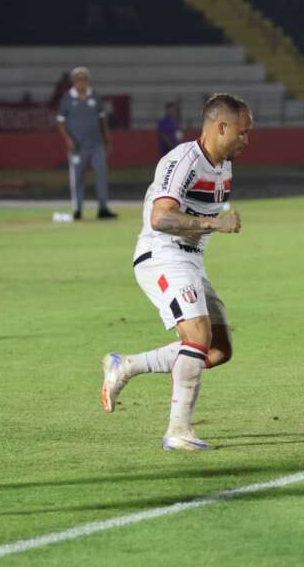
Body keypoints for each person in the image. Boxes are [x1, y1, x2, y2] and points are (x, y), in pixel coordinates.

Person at [100, 94, 251, 451]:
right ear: (221, 127)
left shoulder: (224, 164)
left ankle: (128, 365)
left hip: (191, 260)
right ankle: (178, 430)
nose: (247, 139)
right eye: (243, 132)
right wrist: (214, 222)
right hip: (162, 254)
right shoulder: (183, 161)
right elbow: (160, 217)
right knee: (197, 337)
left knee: (218, 349)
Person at [56, 66, 116, 220]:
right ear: (74, 81)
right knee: (77, 178)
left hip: (96, 144)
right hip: (77, 146)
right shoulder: (67, 98)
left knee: (101, 175)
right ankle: (77, 210)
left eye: (84, 79)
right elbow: (60, 122)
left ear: (88, 81)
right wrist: (68, 139)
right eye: (78, 79)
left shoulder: (95, 97)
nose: (81, 82)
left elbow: (103, 119)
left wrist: (107, 138)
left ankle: (103, 208)